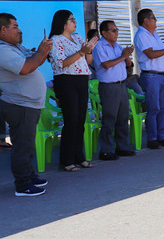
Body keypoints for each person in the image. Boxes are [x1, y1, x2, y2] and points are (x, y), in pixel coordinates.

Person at [0, 13, 52, 196]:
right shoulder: (2, 50)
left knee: (27, 144)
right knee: (22, 146)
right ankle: (22, 185)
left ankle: (29, 175)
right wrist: (42, 52)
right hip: (19, 104)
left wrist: (41, 52)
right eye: (15, 26)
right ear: (3, 29)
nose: (19, 30)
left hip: (28, 104)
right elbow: (25, 68)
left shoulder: (13, 47)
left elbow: (34, 60)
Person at [48, 10, 97, 172]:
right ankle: (67, 160)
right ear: (63, 23)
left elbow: (88, 60)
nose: (75, 22)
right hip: (66, 80)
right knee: (71, 119)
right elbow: (61, 63)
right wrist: (81, 52)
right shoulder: (56, 40)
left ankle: (79, 156)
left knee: (81, 119)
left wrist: (88, 50)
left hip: (82, 79)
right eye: (71, 20)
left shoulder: (77, 37)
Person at [133, 8, 164, 149]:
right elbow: (151, 54)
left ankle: (162, 136)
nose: (156, 20)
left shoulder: (154, 34)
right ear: (146, 20)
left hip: (161, 75)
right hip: (151, 75)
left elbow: (161, 53)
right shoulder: (141, 35)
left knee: (163, 107)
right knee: (153, 108)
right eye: (153, 18)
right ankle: (152, 138)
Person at [92, 20, 136, 160]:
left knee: (123, 118)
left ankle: (122, 147)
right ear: (104, 33)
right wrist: (123, 56)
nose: (117, 33)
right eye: (113, 30)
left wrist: (127, 55)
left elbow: (128, 64)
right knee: (110, 118)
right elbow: (106, 65)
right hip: (109, 86)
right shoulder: (99, 47)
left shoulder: (117, 46)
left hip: (122, 84)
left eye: (117, 30)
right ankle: (106, 150)